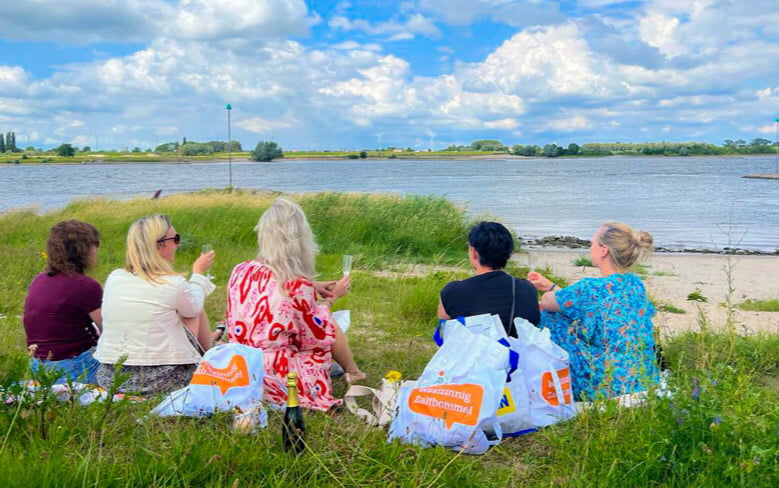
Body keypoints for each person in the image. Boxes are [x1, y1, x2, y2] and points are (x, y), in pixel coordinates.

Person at [225, 197, 365, 411]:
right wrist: (331, 298)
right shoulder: (294, 285)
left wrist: (311, 286)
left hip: (241, 364)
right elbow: (315, 332)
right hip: (277, 374)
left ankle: (348, 369)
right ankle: (353, 370)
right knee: (328, 321)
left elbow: (267, 290)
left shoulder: (241, 270)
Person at [528, 221, 660, 401]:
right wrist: (550, 285)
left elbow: (547, 301)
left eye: (593, 244)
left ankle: (539, 374)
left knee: (549, 315)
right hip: (641, 377)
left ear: (603, 250)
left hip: (605, 383)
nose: (591, 248)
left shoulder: (591, 288)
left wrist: (548, 291)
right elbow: (583, 305)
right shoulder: (635, 284)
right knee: (570, 313)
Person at [94, 214, 215, 395]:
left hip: (113, 376)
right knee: (194, 309)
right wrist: (197, 274)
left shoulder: (115, 277)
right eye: (175, 239)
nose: (178, 245)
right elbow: (194, 308)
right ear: (158, 246)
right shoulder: (174, 283)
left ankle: (211, 354)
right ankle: (211, 360)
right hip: (162, 379)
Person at [24, 220, 103, 384]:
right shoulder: (85, 285)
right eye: (95, 245)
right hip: (74, 366)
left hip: (38, 366)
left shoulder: (40, 279)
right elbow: (109, 329)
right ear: (84, 249)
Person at [438, 221, 540, 336]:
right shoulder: (527, 289)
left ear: (474, 252)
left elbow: (444, 333)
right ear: (509, 253)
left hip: (473, 353)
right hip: (519, 353)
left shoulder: (453, 291)